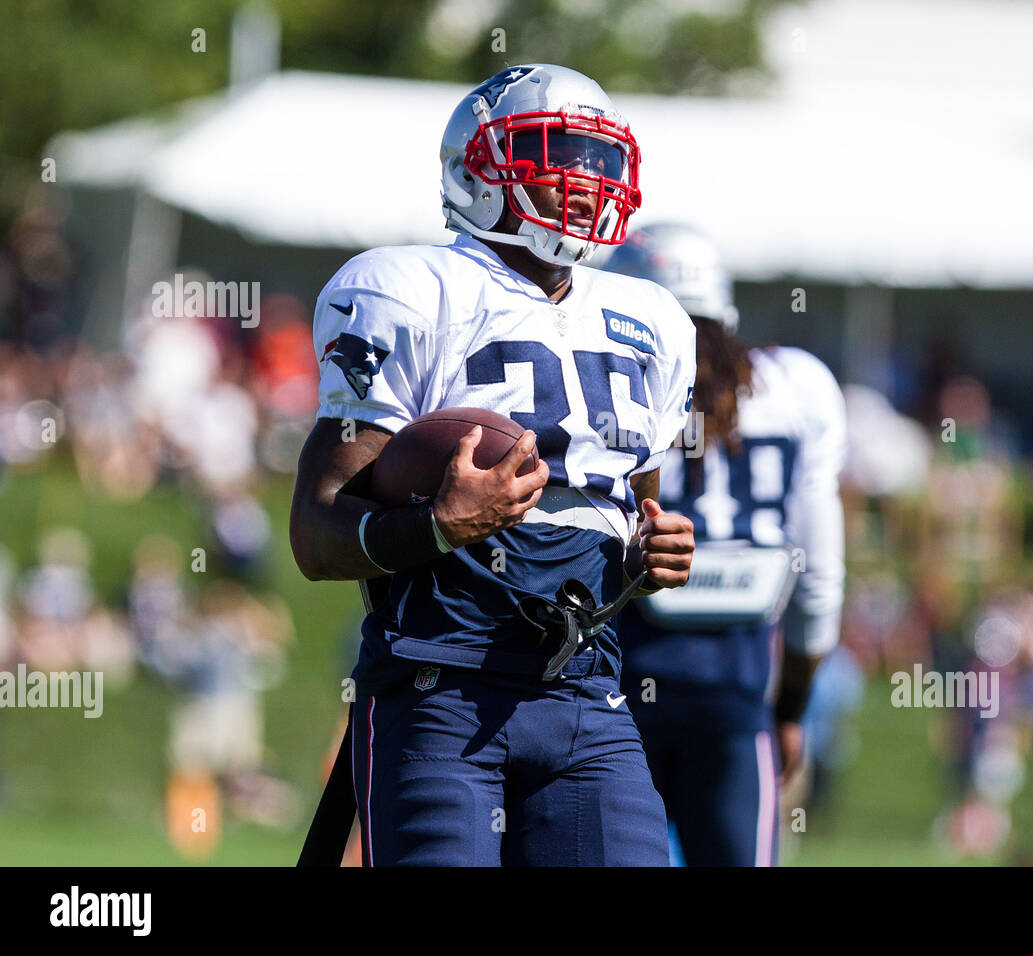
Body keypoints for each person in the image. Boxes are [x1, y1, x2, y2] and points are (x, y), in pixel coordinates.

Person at [289, 64, 697, 866]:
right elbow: (315, 532)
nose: (583, 181)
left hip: (587, 691)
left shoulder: (653, 320)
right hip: (441, 688)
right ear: (479, 168)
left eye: (599, 159)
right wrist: (436, 526)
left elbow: (631, 517)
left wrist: (653, 558)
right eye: (555, 153)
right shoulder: (407, 288)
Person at [605, 223, 845, 866]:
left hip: (612, 688)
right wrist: (791, 708)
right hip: (735, 694)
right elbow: (818, 573)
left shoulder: (608, 379)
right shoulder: (795, 387)